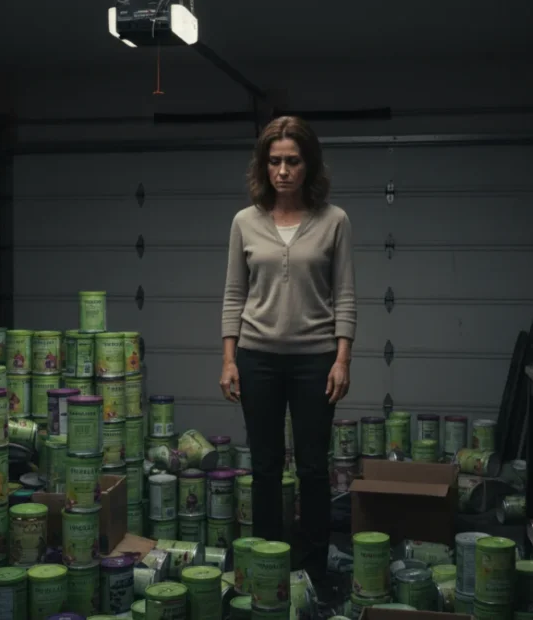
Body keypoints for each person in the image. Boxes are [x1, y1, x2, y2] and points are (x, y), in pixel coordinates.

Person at [219, 116, 357, 585]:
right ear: (264, 165)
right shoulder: (244, 222)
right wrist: (229, 359)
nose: (283, 171)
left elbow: (345, 296)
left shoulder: (334, 221)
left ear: (309, 164)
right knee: (264, 466)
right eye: (274, 161)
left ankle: (314, 567)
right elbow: (234, 295)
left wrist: (342, 359)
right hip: (256, 358)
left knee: (314, 468)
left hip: (316, 359)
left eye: (293, 161)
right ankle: (268, 564)